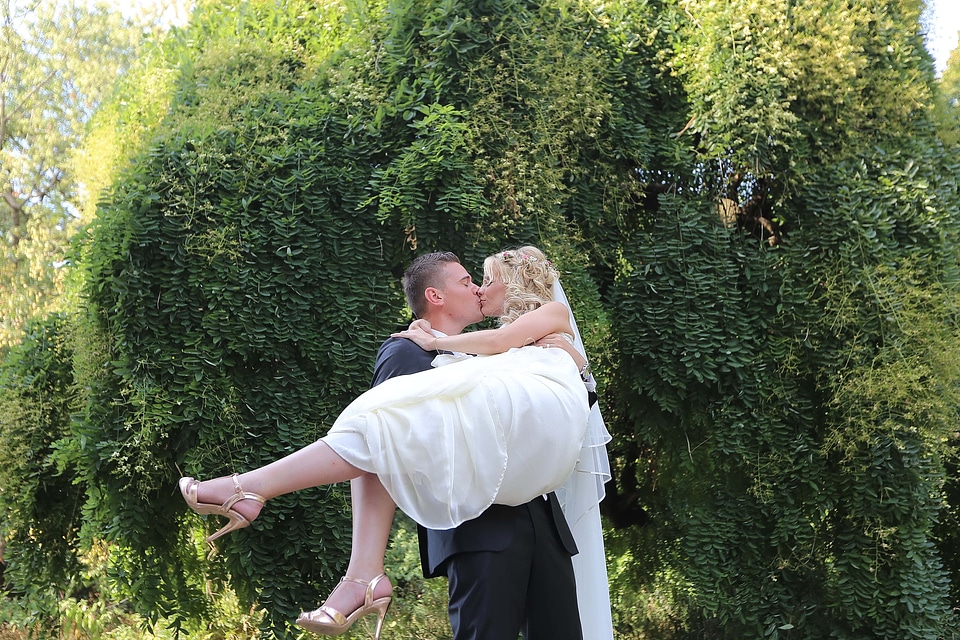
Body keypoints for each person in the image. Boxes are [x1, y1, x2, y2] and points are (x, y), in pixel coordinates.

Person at [178, 246, 604, 638]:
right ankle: (282, 512)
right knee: (381, 426)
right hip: (480, 529)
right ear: (435, 296)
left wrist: (575, 369)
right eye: (466, 282)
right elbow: (382, 445)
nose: (477, 288)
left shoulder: (508, 348)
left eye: (482, 281)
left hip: (542, 523)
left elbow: (559, 416)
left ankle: (332, 555)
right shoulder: (407, 352)